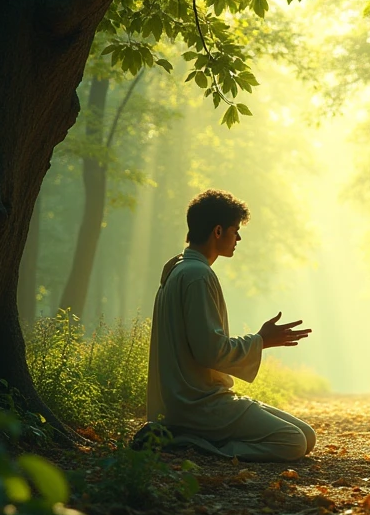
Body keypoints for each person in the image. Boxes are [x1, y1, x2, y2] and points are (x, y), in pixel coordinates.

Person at [131, 189, 316, 462]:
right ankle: (186, 444)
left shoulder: (180, 268)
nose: (238, 238)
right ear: (218, 231)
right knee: (292, 442)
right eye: (235, 230)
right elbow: (210, 352)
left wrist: (261, 340)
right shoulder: (197, 275)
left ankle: (192, 437)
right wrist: (261, 340)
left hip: (192, 401)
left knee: (306, 435)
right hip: (198, 406)